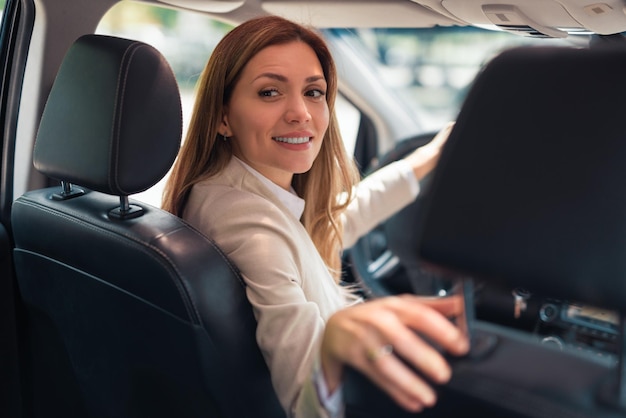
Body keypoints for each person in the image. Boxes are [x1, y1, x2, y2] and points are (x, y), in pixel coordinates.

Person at [162, 15, 468, 418]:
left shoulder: (225, 192)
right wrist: (335, 344)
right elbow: (305, 400)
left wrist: (427, 158)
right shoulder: (250, 225)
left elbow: (329, 227)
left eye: (314, 92)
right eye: (270, 92)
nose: (300, 113)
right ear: (222, 117)